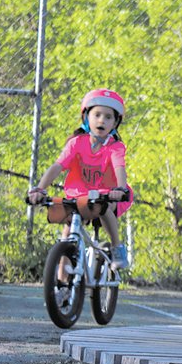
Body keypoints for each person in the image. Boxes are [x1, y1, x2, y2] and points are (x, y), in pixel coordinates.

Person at [26, 88, 134, 270]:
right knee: (67, 234)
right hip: (79, 194)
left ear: (115, 123)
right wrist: (39, 189)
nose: (102, 120)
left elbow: (119, 168)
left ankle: (117, 247)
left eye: (108, 117)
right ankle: (61, 285)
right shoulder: (76, 143)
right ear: (86, 117)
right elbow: (57, 166)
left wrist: (120, 189)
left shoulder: (115, 147)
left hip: (108, 193)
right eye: (97, 115)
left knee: (105, 208)